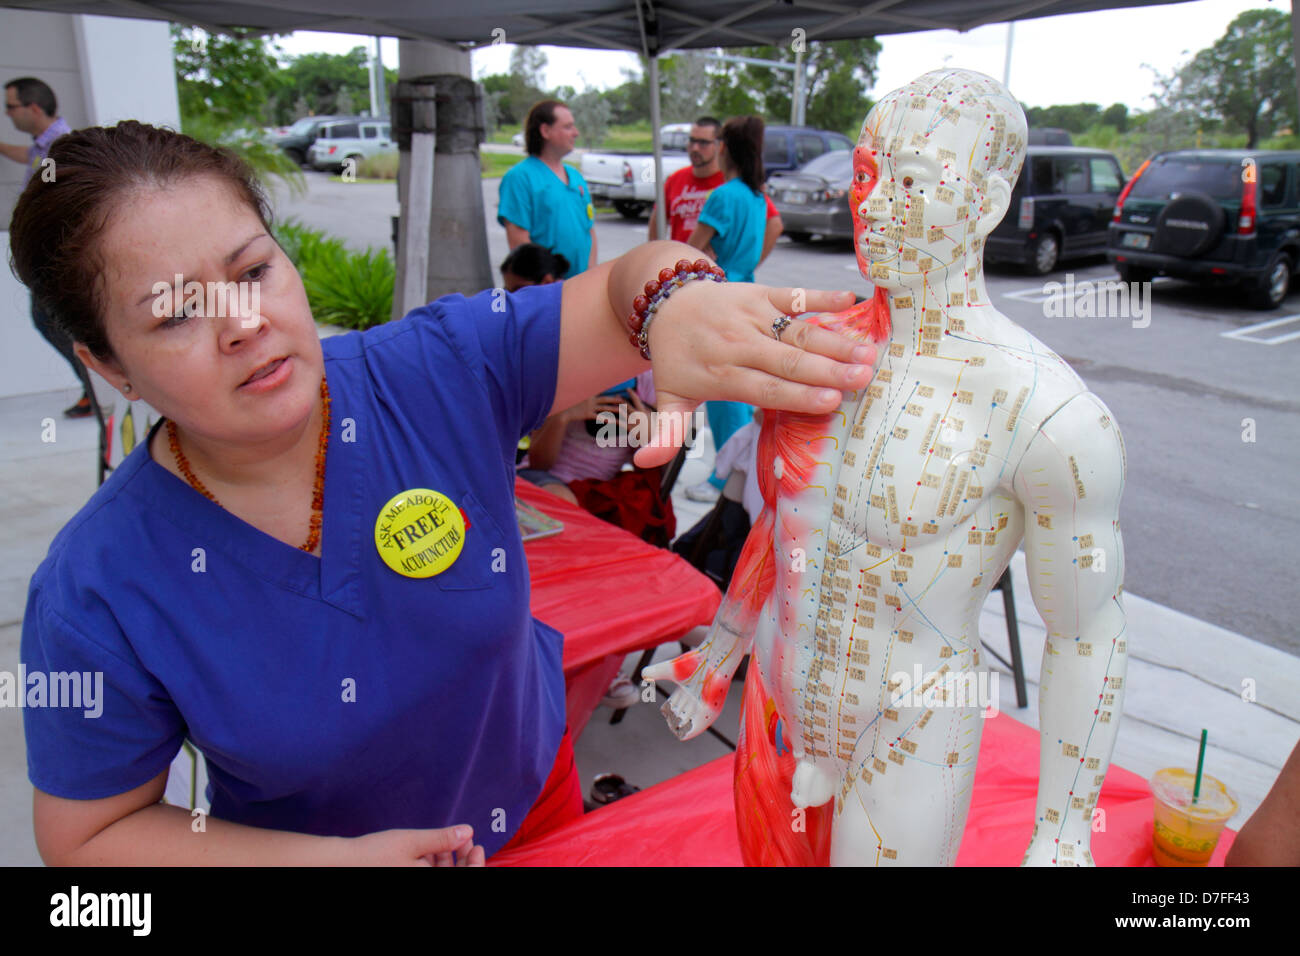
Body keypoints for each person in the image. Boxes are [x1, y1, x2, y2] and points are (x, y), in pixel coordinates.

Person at [10, 120, 876, 866]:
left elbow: (624, 292)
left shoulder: (432, 370)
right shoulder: (100, 587)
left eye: (253, 271)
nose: (243, 323)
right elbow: (89, 837)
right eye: (174, 316)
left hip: (540, 813)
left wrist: (673, 306)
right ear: (107, 365)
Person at [647, 69, 1130, 868]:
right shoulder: (818, 348)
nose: (873, 205)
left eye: (911, 182)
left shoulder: (1046, 412)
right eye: (868, 176)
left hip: (907, 733)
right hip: (775, 704)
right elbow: (785, 519)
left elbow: (1088, 633)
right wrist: (723, 650)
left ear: (987, 202)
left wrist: (1065, 830)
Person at [683, 115, 773, 504]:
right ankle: (739, 467)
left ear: (724, 148)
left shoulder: (723, 195)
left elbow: (687, 249)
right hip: (747, 292)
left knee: (723, 393)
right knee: (738, 386)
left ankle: (724, 475)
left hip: (719, 297)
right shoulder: (756, 197)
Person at [1, 76, 95, 419]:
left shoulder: (58, 149)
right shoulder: (42, 148)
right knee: (50, 324)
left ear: (33, 107)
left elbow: (54, 199)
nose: (7, 114)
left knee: (57, 325)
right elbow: (26, 156)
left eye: (10, 107)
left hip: (54, 259)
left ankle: (95, 388)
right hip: (46, 259)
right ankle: (93, 388)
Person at [648, 115, 783, 261]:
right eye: (691, 141)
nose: (695, 148)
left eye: (703, 143)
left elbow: (692, 251)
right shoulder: (752, 190)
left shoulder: (724, 193)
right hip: (737, 279)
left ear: (721, 146)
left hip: (705, 277)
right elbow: (657, 221)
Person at [497, 100, 595, 278]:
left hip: (579, 287)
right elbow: (520, 245)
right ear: (545, 131)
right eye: (568, 127)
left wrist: (588, 278)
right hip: (546, 291)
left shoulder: (576, 177)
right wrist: (548, 284)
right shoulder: (520, 178)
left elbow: (589, 231)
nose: (576, 132)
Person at [500, 243, 569, 293]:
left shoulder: (568, 307)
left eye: (519, 291)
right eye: (507, 291)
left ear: (547, 282)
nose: (511, 299)